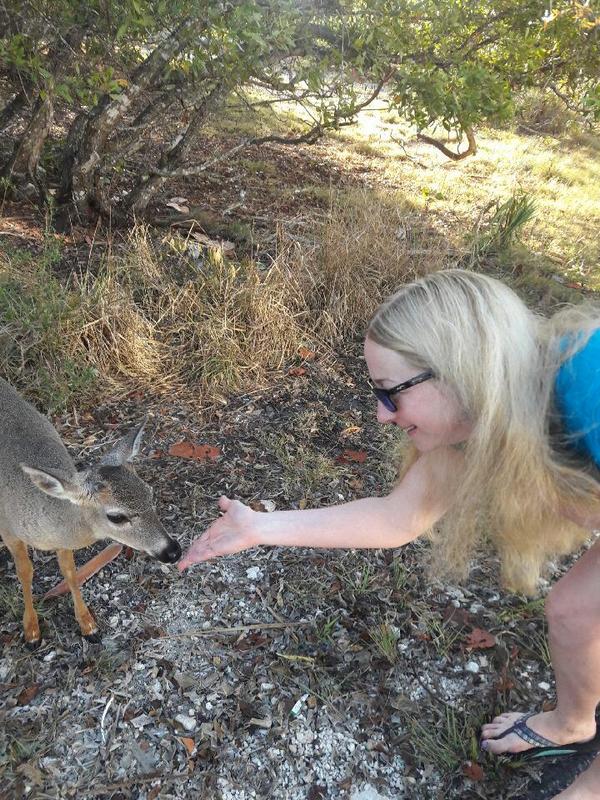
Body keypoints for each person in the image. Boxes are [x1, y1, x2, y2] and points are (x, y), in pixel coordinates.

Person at [178, 269, 600, 799]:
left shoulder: (589, 388)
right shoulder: (480, 413)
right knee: (575, 611)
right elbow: (398, 518)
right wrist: (259, 527)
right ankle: (573, 724)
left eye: (391, 393)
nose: (381, 416)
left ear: (459, 371)